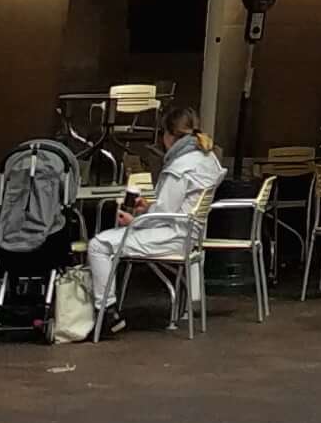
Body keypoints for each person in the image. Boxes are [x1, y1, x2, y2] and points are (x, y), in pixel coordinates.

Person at [84, 106, 227, 334]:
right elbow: (176, 206)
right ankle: (108, 312)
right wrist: (148, 208)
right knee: (109, 241)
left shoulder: (180, 166)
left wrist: (134, 219)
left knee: (98, 245)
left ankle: (107, 312)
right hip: (193, 233)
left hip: (173, 236)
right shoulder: (207, 158)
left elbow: (164, 214)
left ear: (169, 135)